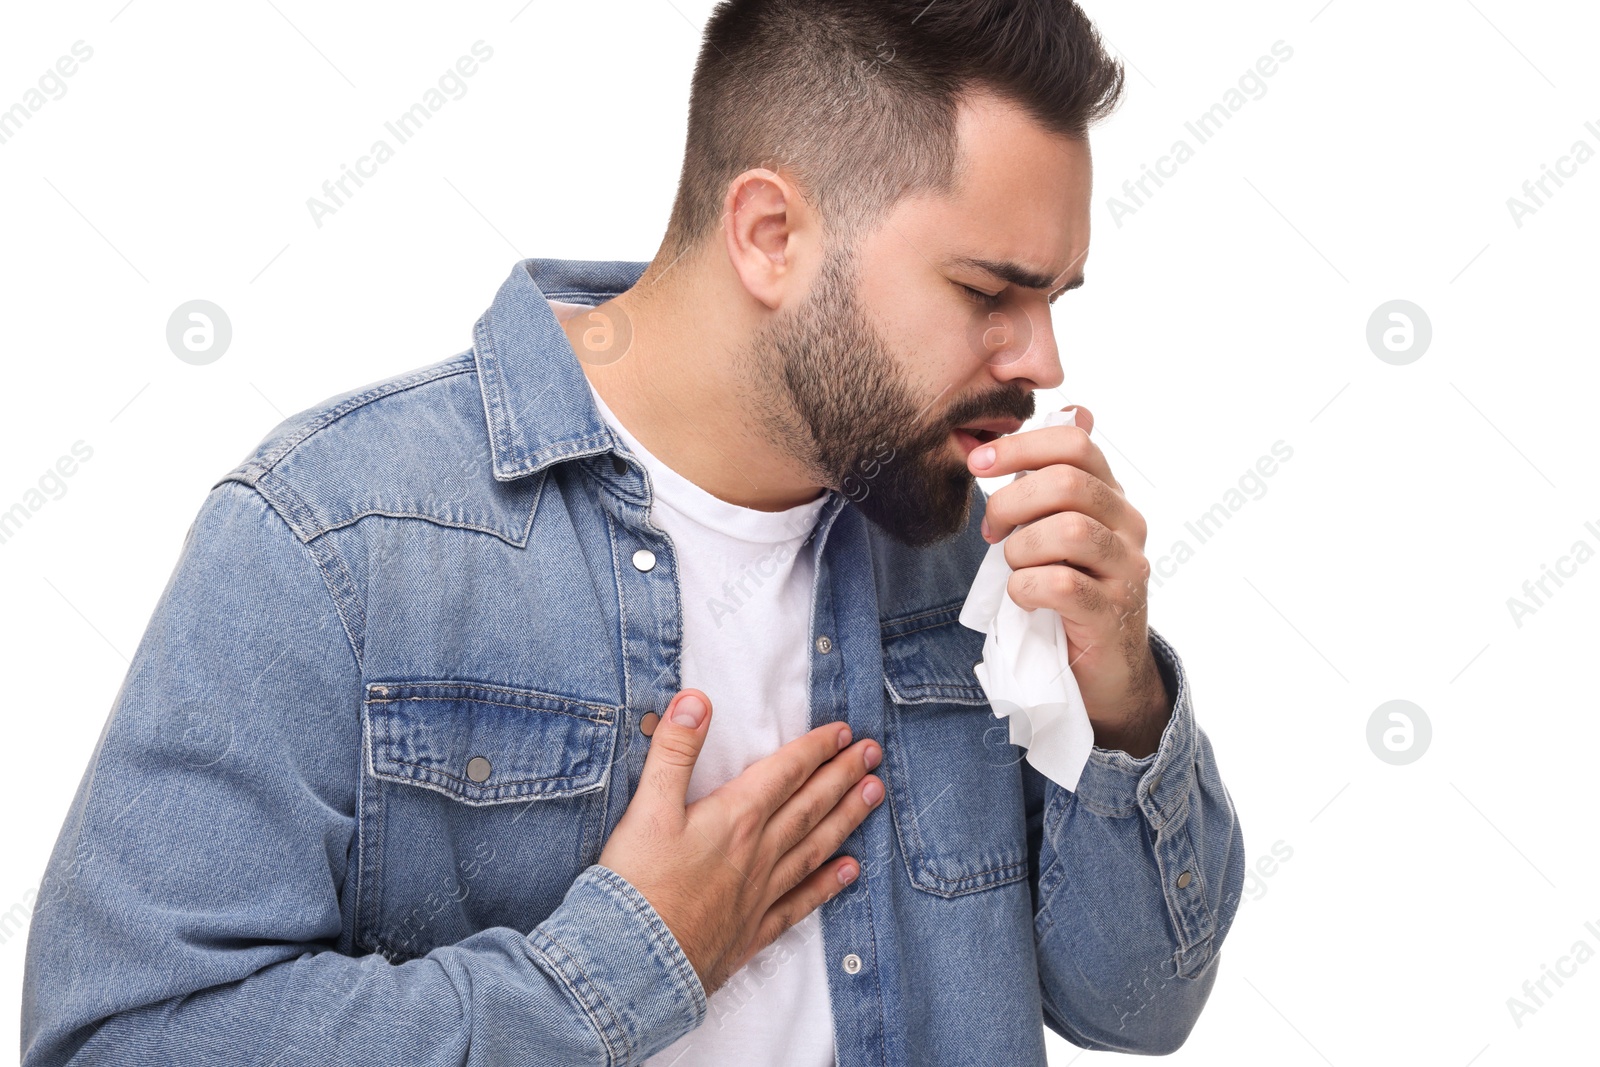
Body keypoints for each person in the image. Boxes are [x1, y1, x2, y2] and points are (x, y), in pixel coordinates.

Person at [21, 2, 1245, 1064]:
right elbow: (123, 1036)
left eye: (1052, 298)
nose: (1041, 360)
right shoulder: (336, 537)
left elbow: (1135, 1007)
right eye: (988, 292)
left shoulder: (980, 551)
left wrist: (1122, 691)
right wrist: (620, 966)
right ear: (771, 234)